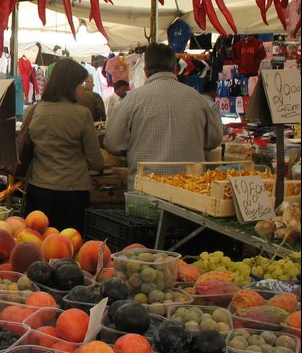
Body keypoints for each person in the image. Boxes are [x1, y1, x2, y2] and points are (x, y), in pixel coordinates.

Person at [104, 43, 224, 188]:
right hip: (191, 190)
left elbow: (112, 144)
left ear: (146, 71)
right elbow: (215, 140)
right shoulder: (197, 98)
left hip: (146, 189)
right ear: (175, 69)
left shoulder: (132, 99)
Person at [20, 58, 105, 231]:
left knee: (37, 244)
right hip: (72, 193)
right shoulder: (82, 114)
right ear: (71, 85)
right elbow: (96, 162)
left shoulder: (33, 111)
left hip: (38, 189)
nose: (82, 88)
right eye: (80, 83)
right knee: (68, 248)